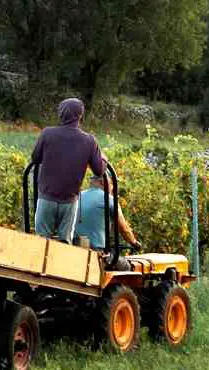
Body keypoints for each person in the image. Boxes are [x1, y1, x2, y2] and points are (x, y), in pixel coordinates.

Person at [30, 98, 106, 243]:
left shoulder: (47, 133)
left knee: (41, 241)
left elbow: (35, 159)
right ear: (80, 116)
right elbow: (99, 170)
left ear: (61, 115)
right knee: (65, 243)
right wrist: (101, 157)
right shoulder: (89, 140)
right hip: (69, 201)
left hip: (46, 198)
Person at [76, 175, 142, 271]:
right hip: (97, 253)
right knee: (128, 267)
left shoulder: (78, 196)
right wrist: (135, 243)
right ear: (103, 182)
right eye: (112, 184)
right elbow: (124, 229)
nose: (113, 188)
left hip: (76, 248)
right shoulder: (110, 200)